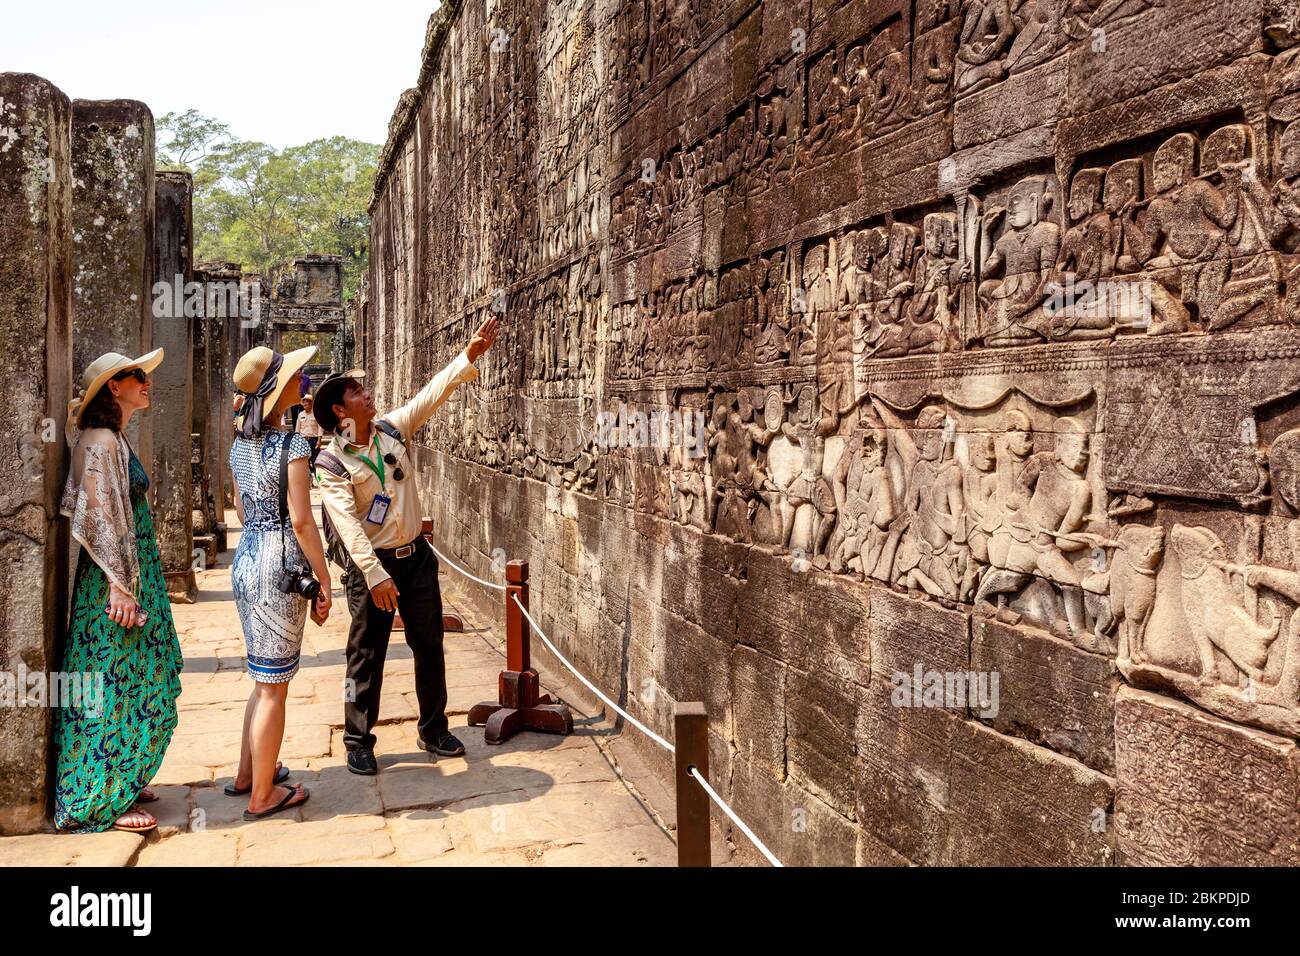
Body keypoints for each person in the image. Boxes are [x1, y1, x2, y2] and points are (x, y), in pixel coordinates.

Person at [314, 317, 499, 775]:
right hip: (371, 567)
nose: (367, 394)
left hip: (414, 558)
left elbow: (431, 395)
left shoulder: (391, 431)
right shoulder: (332, 461)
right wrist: (374, 575)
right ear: (340, 411)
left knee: (429, 642)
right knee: (365, 654)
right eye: (356, 392)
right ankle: (358, 737)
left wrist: (468, 356)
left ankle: (434, 727)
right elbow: (348, 524)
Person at [55, 349, 183, 833]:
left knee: (136, 676)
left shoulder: (115, 438)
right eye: (138, 376)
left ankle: (122, 775)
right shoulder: (99, 439)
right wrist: (119, 588)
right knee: (110, 681)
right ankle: (98, 798)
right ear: (114, 386)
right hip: (114, 584)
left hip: (133, 575)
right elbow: (99, 520)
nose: (147, 382)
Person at [228, 345, 333, 820]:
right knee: (275, 685)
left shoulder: (239, 445)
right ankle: (262, 795)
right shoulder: (290, 446)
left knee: (262, 676)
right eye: (294, 375)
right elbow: (303, 520)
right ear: (277, 389)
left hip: (246, 559)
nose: (303, 379)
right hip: (279, 564)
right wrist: (324, 576)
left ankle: (249, 773)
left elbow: (241, 508)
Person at [295, 394, 324, 481]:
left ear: (311, 403)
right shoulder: (300, 415)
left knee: (316, 462)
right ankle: (308, 482)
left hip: (314, 440)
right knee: (305, 462)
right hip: (303, 441)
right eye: (304, 402)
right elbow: (297, 429)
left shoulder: (316, 414)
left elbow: (320, 427)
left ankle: (319, 481)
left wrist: (319, 440)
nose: (305, 404)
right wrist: (297, 441)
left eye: (307, 402)